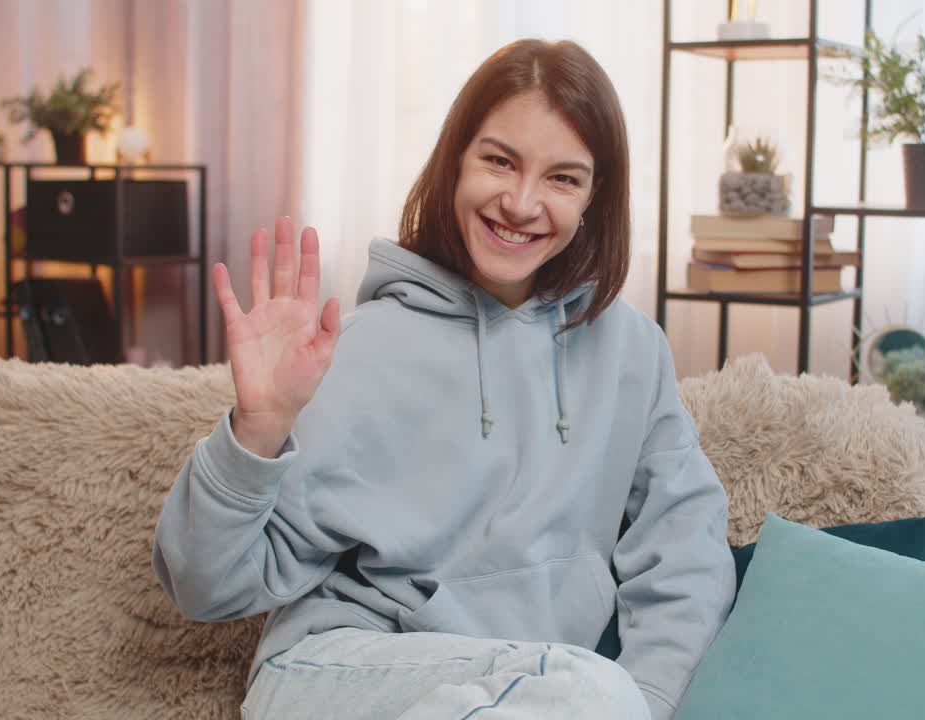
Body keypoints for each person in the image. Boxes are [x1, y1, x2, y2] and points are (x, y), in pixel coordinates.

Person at [152, 39, 735, 720]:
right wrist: (258, 428)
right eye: (499, 161)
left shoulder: (631, 352)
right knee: (591, 689)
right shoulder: (360, 349)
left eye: (562, 178)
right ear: (455, 160)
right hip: (334, 672)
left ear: (593, 196)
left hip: (533, 692)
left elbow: (684, 554)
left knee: (596, 691)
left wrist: (648, 702)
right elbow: (203, 587)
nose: (521, 203)